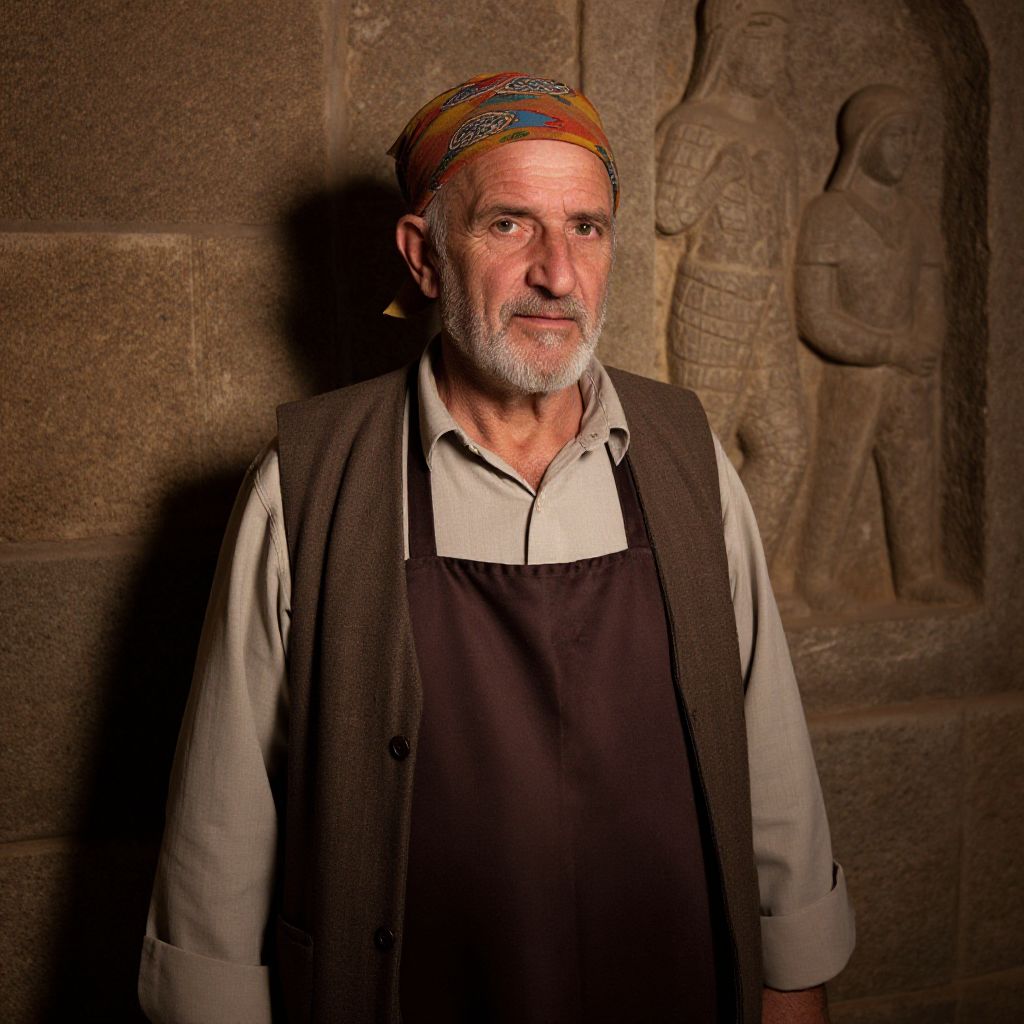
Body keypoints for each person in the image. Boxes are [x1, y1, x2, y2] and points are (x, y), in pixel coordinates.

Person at [139, 71, 854, 1024]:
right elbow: (221, 832)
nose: (557, 272)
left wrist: (794, 982)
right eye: (509, 224)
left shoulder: (686, 456)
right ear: (425, 256)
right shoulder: (307, 487)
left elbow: (766, 744)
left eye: (586, 227)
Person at [796, 83, 959, 611]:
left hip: (910, 376)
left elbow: (931, 301)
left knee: (914, 469)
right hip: (856, 376)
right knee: (839, 469)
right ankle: (816, 574)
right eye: (895, 136)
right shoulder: (829, 214)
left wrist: (923, 345)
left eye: (912, 137)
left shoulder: (917, 220)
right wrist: (890, 347)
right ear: (864, 140)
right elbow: (816, 315)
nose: (906, 149)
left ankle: (919, 573)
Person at [656, 0, 807, 564]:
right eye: (766, 39)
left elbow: (784, 234)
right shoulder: (694, 125)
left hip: (768, 303)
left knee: (787, 447)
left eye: (784, 43)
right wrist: (720, 174)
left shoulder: (781, 136)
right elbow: (669, 212)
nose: (778, 56)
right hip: (713, 298)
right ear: (731, 41)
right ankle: (693, 584)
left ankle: (744, 580)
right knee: (701, 449)